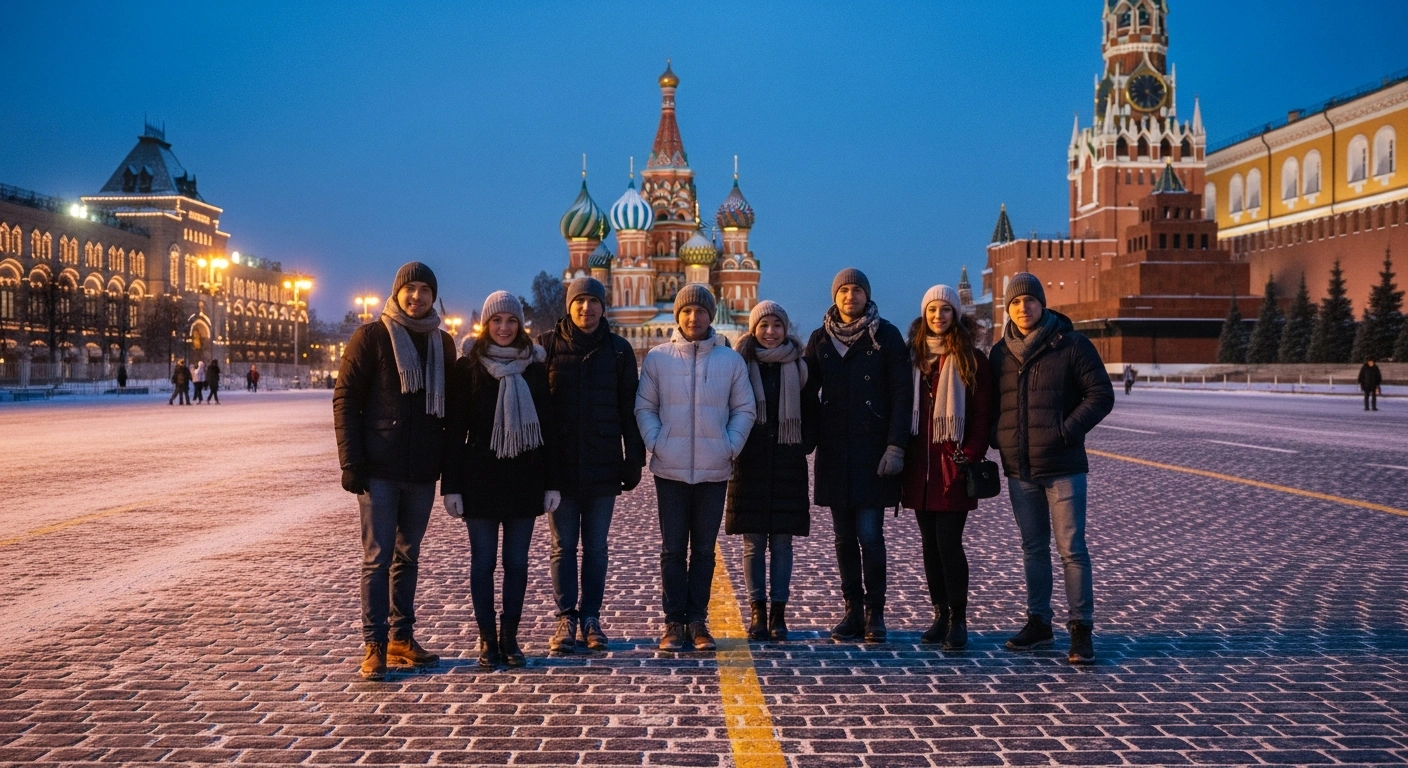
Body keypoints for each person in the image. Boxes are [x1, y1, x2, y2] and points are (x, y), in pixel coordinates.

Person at [333, 261, 456, 681]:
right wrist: (351, 462)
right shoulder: (371, 336)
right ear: (397, 292)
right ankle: (375, 645)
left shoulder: (443, 342)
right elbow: (346, 399)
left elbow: (452, 413)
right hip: (380, 468)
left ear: (433, 296)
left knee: (409, 555)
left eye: (425, 290)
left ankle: (402, 637)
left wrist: (449, 466)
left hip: (422, 470)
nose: (417, 297)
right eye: (410, 289)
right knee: (377, 557)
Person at [989, 272, 1114, 665]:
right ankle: (1039, 623)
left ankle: (1081, 629)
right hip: (1019, 468)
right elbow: (992, 403)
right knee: (1033, 549)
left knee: (1072, 550)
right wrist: (1000, 436)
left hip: (1063, 466)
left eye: (1029, 300)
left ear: (1042, 303)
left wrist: (1065, 431)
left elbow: (1101, 395)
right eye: (1015, 302)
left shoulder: (1072, 344)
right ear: (1007, 308)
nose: (1023, 308)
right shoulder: (1000, 353)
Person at [636, 284, 755, 652]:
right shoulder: (658, 358)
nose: (694, 317)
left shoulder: (729, 360)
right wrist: (658, 442)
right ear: (678, 315)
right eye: (687, 311)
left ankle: (698, 621)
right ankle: (673, 622)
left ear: (710, 315)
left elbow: (744, 409)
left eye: (701, 311)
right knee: (673, 549)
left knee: (704, 550)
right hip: (670, 470)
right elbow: (645, 407)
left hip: (713, 469)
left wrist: (729, 446)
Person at [443, 291, 554, 669]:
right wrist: (452, 487)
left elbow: (548, 430)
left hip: (525, 476)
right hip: (480, 477)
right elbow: (455, 430)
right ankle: (487, 639)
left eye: (511, 321)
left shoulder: (535, 368)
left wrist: (551, 483)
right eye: (497, 321)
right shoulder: (468, 368)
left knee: (518, 562)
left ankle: (511, 638)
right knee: (483, 561)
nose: (504, 328)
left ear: (520, 325)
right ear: (486, 325)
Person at [803, 268, 911, 643]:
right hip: (835, 450)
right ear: (835, 296)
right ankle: (852, 609)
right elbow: (806, 392)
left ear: (867, 295)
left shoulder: (887, 336)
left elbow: (902, 394)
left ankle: (875, 613)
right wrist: (806, 436)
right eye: (844, 290)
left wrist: (896, 446)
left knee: (870, 535)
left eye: (857, 290)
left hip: (872, 451)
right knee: (843, 538)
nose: (851, 297)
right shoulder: (820, 339)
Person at [539, 277, 645, 653]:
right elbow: (538, 410)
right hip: (560, 465)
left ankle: (592, 618)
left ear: (604, 306)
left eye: (593, 302)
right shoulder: (548, 347)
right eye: (579, 301)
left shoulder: (618, 350)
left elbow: (629, 409)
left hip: (602, 464)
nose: (587, 308)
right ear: (569, 306)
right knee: (563, 546)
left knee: (596, 548)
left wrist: (634, 458)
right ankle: (566, 617)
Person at [901, 285, 994, 652]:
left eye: (945, 310)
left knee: (948, 544)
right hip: (919, 468)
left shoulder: (971, 359)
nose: (938, 317)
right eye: (932, 311)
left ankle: (959, 618)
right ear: (924, 315)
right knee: (928, 545)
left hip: (950, 466)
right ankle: (939, 614)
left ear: (956, 315)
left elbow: (982, 414)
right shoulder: (915, 358)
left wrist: (969, 454)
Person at [725, 300, 817, 642]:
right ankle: (757, 612)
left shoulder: (800, 366)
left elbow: (811, 411)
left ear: (786, 328)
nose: (770, 332)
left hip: (788, 462)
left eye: (776, 325)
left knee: (782, 542)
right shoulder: (740, 365)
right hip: (750, 462)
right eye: (763, 326)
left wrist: (802, 445)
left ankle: (778, 614)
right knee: (753, 543)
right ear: (753, 329)